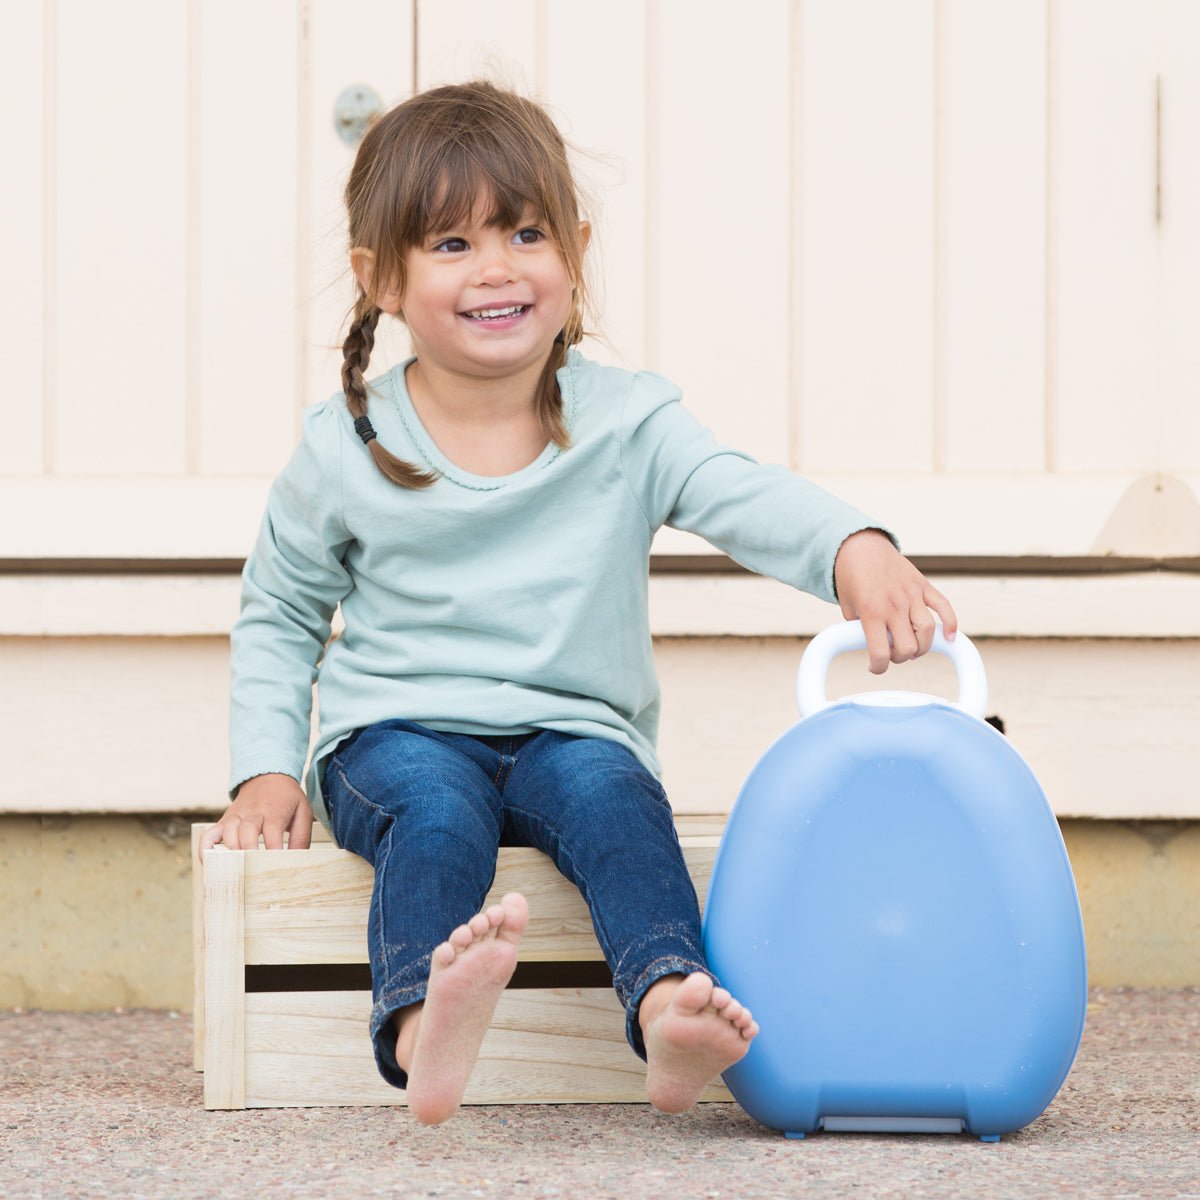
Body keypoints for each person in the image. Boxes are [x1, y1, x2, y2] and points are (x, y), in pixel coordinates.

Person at [198, 80, 957, 1125]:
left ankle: (665, 1008)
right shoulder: (348, 442)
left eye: (524, 233)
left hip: (572, 730)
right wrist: (267, 770)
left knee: (616, 800)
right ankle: (425, 1026)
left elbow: (743, 492)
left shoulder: (628, 422)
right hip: (397, 732)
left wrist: (852, 547)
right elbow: (281, 615)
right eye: (452, 245)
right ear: (380, 279)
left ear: (576, 251)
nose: (498, 268)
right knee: (439, 813)